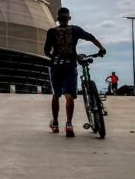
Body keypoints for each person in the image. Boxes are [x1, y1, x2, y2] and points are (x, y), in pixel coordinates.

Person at [44, 7, 106, 137]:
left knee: (56, 94)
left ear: (58, 19)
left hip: (56, 66)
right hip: (70, 65)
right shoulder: (75, 30)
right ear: (69, 18)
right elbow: (92, 38)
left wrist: (54, 58)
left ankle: (55, 124)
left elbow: (46, 51)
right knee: (69, 95)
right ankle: (69, 125)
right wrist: (101, 48)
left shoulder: (51, 32)